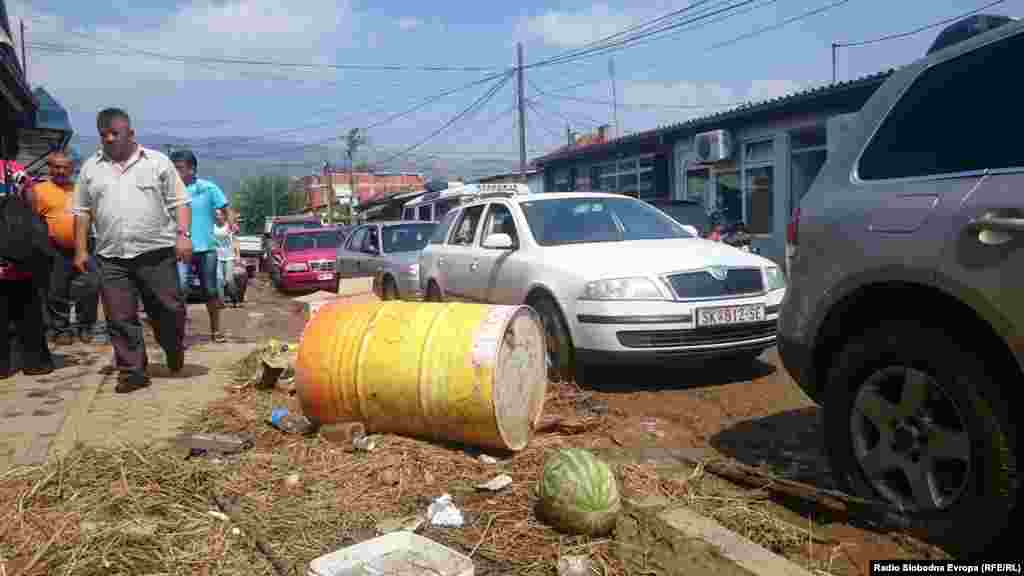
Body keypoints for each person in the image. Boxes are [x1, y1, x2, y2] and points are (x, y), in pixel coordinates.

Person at [73, 108, 192, 393]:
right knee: (119, 317)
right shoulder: (91, 168)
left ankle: (173, 347)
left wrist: (183, 236)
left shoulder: (157, 162)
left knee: (169, 309)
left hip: (156, 253)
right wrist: (80, 250)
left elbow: (179, 202)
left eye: (116, 133)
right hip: (111, 256)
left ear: (131, 133)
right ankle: (132, 372)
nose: (110, 139)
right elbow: (82, 212)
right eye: (105, 135)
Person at [32, 151, 101, 345]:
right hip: (54, 249)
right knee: (56, 290)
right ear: (49, 168)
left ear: (72, 169)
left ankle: (85, 326)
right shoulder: (38, 191)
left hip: (85, 247)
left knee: (90, 286)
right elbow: (32, 221)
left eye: (65, 167)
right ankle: (60, 329)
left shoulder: (82, 189)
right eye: (56, 166)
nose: (61, 171)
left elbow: (96, 216)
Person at [0, 137, 55, 378]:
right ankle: (35, 363)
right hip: (21, 256)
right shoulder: (15, 170)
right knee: (29, 313)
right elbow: (33, 204)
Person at [169, 149, 232, 343]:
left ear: (192, 169)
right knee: (180, 288)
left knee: (210, 291)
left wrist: (228, 224)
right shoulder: (169, 190)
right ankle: (178, 332)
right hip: (179, 248)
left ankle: (216, 329)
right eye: (173, 169)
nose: (175, 173)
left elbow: (225, 207)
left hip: (206, 248)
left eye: (179, 168)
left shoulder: (208, 188)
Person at [212, 208, 235, 305]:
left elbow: (236, 240)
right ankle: (221, 302)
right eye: (216, 215)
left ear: (224, 216)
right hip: (217, 257)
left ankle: (234, 298)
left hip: (229, 257)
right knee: (219, 280)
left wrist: (237, 255)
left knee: (229, 280)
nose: (218, 217)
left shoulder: (228, 226)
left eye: (220, 214)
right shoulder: (212, 227)